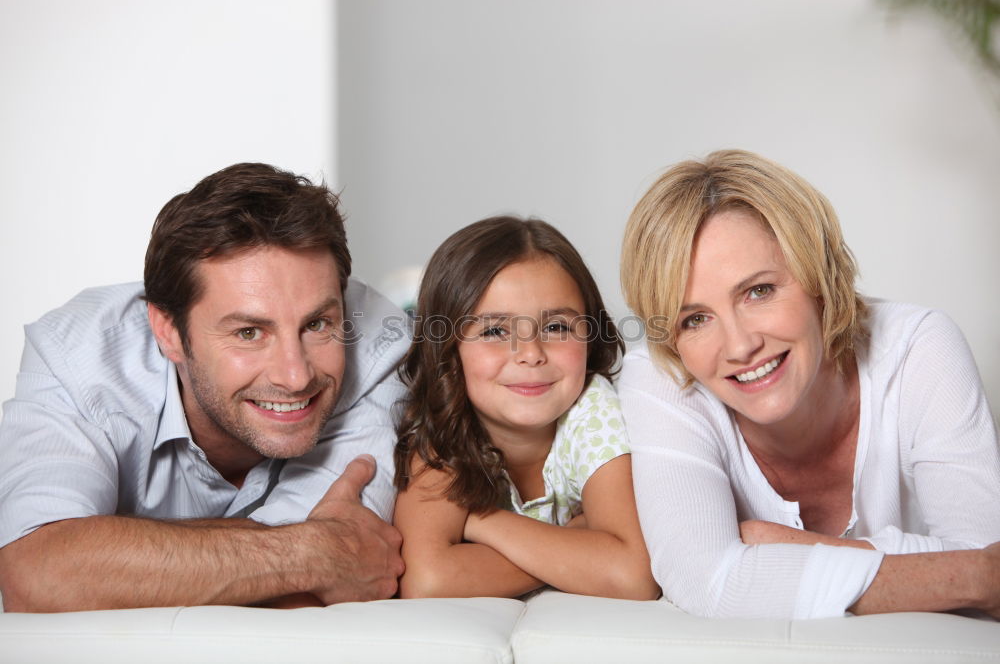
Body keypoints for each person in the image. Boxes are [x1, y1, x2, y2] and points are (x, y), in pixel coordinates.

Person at [0, 163, 408, 611]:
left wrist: (115, 557)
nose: (296, 376)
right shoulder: (79, 356)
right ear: (169, 332)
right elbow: (37, 574)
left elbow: (306, 602)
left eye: (316, 324)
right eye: (249, 333)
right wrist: (312, 553)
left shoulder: (378, 343)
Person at [619, 149, 1000, 619]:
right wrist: (963, 575)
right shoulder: (661, 376)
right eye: (695, 318)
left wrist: (780, 544)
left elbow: (987, 563)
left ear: (820, 278)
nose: (739, 346)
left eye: (758, 291)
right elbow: (706, 581)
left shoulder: (919, 347)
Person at [393, 216, 657, 600]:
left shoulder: (591, 409)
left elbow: (632, 574)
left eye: (556, 328)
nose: (531, 354)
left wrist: (484, 523)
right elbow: (428, 580)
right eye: (494, 331)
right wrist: (576, 543)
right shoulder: (442, 424)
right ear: (449, 349)